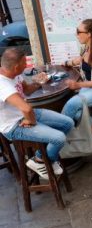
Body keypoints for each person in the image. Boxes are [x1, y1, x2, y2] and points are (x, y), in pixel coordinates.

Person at [0, 48, 74, 177]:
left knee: (68, 123)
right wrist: (31, 120)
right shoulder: (3, 84)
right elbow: (26, 109)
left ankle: (41, 160)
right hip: (13, 126)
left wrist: (39, 82)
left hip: (25, 115)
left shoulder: (14, 74)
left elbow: (27, 91)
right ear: (16, 66)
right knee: (59, 138)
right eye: (24, 63)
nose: (27, 65)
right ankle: (45, 161)